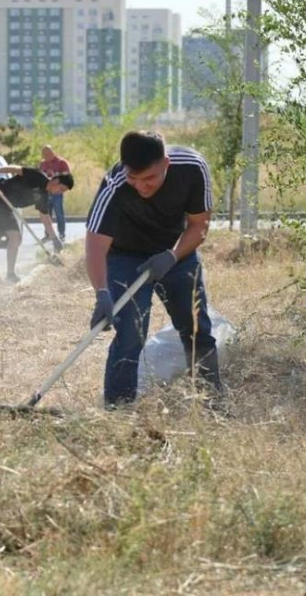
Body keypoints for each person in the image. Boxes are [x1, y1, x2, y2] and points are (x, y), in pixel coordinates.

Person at [85, 131, 222, 408]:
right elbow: (95, 245)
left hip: (176, 252)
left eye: (149, 178)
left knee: (196, 327)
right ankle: (119, 408)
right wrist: (102, 293)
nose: (141, 186)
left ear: (166, 164)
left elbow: (200, 225)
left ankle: (210, 401)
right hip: (125, 256)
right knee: (130, 333)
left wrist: (172, 256)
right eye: (133, 178)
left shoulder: (192, 168)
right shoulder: (115, 185)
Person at [0, 165, 73, 283]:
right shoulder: (37, 176)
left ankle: (9, 274)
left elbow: (45, 218)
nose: (59, 193)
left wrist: (54, 238)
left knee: (13, 237)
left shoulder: (44, 196)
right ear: (56, 181)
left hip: (6, 207)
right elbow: (15, 169)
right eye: (61, 189)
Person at [39, 145, 71, 242]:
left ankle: (61, 234)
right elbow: (39, 176)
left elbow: (67, 177)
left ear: (53, 152)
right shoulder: (42, 164)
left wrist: (54, 174)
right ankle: (48, 234)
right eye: (44, 154)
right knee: (46, 214)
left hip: (57, 192)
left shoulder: (61, 162)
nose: (47, 156)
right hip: (45, 193)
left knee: (59, 213)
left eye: (48, 153)